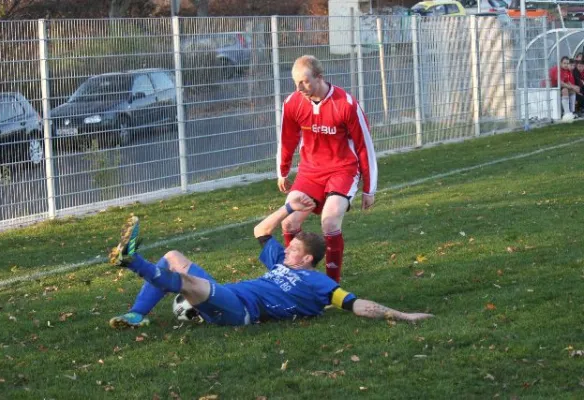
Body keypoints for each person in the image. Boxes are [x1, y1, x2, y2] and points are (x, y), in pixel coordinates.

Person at [108, 193, 433, 328]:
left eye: (293, 249)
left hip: (241, 311)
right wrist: (289, 208)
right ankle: (137, 314)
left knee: (188, 282)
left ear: (307, 259)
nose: (285, 249)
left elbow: (357, 304)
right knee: (172, 257)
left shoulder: (320, 284)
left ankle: (131, 259)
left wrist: (403, 315)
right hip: (230, 294)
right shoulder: (281, 261)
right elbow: (261, 230)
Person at [277, 55, 378, 283]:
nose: (299, 88)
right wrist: (283, 170)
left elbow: (365, 147)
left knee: (330, 221)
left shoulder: (346, 104)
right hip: (310, 171)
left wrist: (369, 188)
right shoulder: (292, 103)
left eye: (304, 82)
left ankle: (332, 286)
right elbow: (287, 138)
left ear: (320, 77)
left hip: (343, 170)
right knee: (289, 222)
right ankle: (297, 278)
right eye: (295, 83)